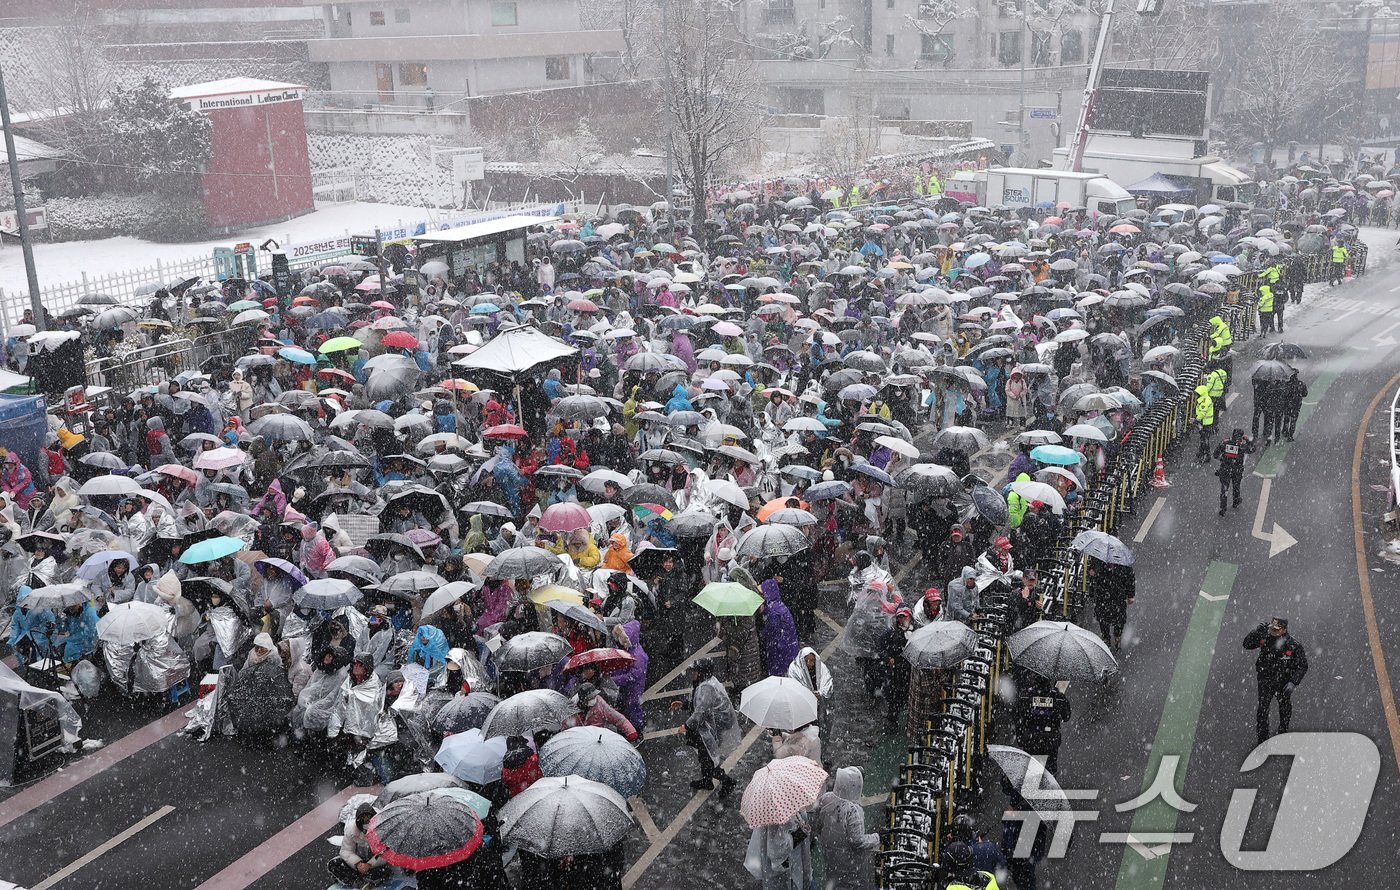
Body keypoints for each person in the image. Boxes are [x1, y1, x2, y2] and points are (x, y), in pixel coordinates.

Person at [672, 656, 738, 795]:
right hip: (707, 727)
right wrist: (683, 704)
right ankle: (707, 780)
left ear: (701, 673)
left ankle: (727, 781)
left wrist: (687, 726)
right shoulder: (706, 683)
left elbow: (701, 711)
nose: (692, 674)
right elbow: (698, 703)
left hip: (709, 728)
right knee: (704, 755)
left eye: (695, 671)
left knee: (708, 757)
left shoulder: (706, 688)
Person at [812, 766, 880, 889]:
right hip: (850, 864)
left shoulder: (826, 798)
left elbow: (817, 823)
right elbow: (857, 841)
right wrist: (876, 838)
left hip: (831, 858)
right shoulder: (852, 810)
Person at [1244, 617, 1308, 743]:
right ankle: (1262, 739)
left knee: (1285, 708)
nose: (1272, 631)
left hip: (1283, 682)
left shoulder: (1293, 645)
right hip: (1265, 680)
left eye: (1276, 629)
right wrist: (1255, 632)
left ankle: (1283, 732)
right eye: (1271, 629)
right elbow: (1247, 644)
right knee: (1263, 709)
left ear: (1284, 630)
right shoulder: (1265, 638)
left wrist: (1293, 682)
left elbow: (1302, 665)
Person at [1013, 676, 1071, 775]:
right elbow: (1066, 716)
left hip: (1031, 741)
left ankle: (1031, 788)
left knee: (1031, 772)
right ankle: (1047, 787)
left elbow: (1017, 715)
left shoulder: (1026, 696)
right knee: (1049, 774)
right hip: (1050, 741)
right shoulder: (1058, 698)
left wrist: (1021, 735)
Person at [327, 803, 392, 886]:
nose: (367, 822)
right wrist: (358, 864)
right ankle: (360, 882)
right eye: (364, 820)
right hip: (358, 863)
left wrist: (369, 865)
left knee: (383, 871)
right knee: (333, 864)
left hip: (374, 865)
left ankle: (365, 880)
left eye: (369, 819)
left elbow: (386, 853)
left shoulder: (383, 829)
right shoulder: (351, 831)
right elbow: (345, 851)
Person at [1088, 557, 1135, 651]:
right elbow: (1130, 578)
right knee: (1104, 618)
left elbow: (1129, 578)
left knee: (1117, 619)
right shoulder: (1099, 560)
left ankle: (1116, 636)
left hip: (1115, 594)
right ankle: (1107, 638)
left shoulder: (1122, 563)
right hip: (1105, 594)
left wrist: (1130, 595)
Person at [1213, 427, 1254, 516]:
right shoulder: (1242, 446)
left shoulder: (1225, 442)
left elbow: (1215, 454)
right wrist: (1248, 441)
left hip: (1225, 469)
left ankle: (1223, 508)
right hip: (1237, 470)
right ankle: (1236, 501)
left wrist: (1223, 460)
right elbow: (1252, 449)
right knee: (1236, 486)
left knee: (1224, 489)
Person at [1280, 369, 1307, 440]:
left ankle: (1285, 430)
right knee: (1293, 420)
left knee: (1286, 418)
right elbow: (1305, 394)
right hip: (1297, 404)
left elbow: (1283, 394)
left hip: (1287, 404)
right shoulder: (1301, 384)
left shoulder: (1286, 384)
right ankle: (1290, 435)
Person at [1194, 382, 1215, 464]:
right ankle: (1201, 452)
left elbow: (1202, 412)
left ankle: (1207, 455)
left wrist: (1196, 419)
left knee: (1205, 440)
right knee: (1203, 439)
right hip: (1205, 423)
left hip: (1206, 423)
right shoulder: (1204, 399)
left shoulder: (1205, 401)